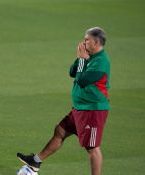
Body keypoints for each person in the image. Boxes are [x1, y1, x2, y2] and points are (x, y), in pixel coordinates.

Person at [17, 27, 110, 175]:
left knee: (92, 148)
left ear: (96, 42)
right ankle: (36, 161)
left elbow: (82, 80)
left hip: (92, 111)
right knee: (60, 131)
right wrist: (80, 58)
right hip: (80, 108)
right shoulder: (88, 55)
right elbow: (72, 72)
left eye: (87, 40)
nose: (83, 42)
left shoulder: (101, 62)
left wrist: (82, 60)